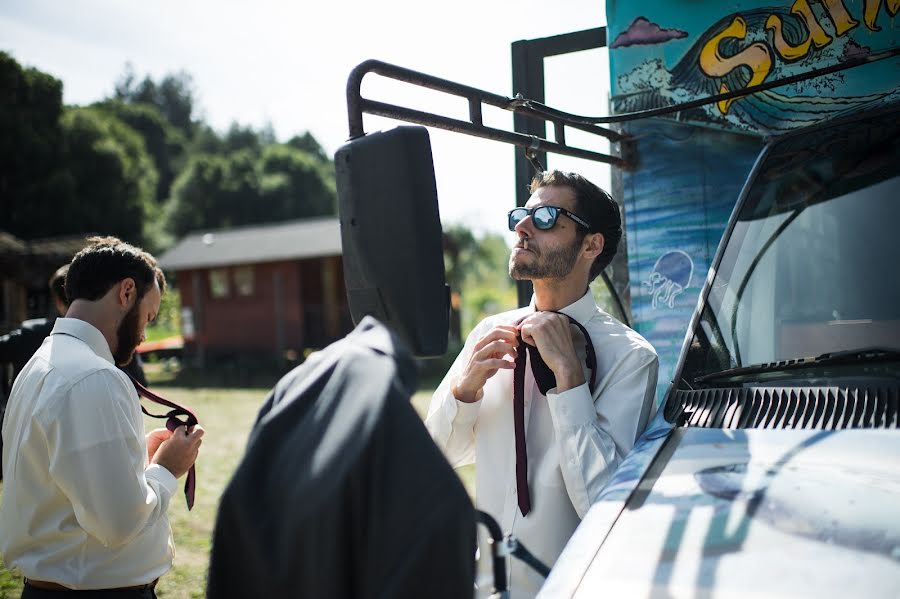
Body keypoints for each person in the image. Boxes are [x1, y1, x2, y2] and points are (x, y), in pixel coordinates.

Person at [426, 170, 659, 597]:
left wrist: (570, 384)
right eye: (522, 215)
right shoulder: (487, 335)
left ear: (591, 245)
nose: (522, 227)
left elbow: (605, 506)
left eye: (547, 217)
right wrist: (465, 393)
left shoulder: (631, 358)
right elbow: (434, 458)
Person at [0, 236, 204, 598]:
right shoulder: (94, 377)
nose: (143, 335)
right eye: (149, 316)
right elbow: (119, 522)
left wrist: (137, 454)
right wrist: (167, 469)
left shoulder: (41, 363)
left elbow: (61, 474)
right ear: (127, 292)